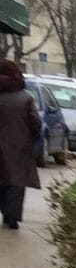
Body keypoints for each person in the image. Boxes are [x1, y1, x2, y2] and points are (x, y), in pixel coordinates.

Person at [0, 58, 41, 230]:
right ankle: (12, 216)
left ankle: (4, 208)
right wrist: (30, 137)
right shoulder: (26, 98)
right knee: (16, 182)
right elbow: (36, 123)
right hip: (19, 146)